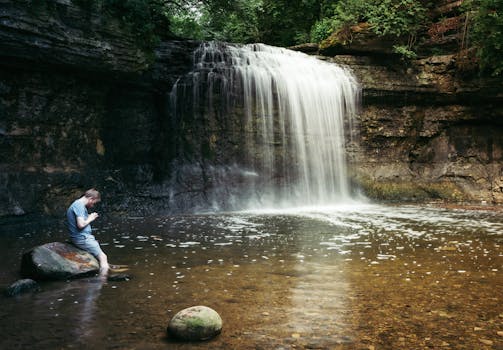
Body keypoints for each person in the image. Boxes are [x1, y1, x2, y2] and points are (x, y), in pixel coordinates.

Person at [67, 189, 109, 275]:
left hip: (81, 237)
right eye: (94, 202)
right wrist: (90, 218)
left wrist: (88, 217)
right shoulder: (79, 206)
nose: (93, 205)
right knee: (103, 257)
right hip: (82, 238)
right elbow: (81, 225)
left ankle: (103, 267)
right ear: (91, 198)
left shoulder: (77, 205)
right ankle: (103, 279)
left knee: (97, 254)